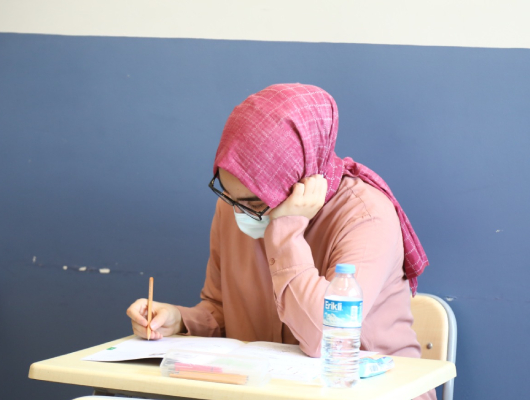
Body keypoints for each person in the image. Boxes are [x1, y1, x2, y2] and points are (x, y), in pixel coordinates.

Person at [127, 83, 434, 399]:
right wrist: (179, 320)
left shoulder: (365, 216)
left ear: (300, 177)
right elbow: (222, 310)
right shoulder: (233, 205)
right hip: (271, 392)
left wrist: (286, 232)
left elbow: (323, 339)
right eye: (229, 195)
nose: (238, 211)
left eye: (254, 202)